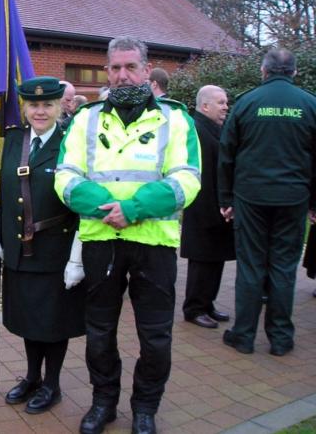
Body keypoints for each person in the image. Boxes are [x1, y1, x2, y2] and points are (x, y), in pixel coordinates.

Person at [55, 36, 201, 434]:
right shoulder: (86, 119)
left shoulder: (175, 119)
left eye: (130, 67)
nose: (122, 75)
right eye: (115, 68)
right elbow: (66, 177)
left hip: (154, 244)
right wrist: (107, 208)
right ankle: (103, 402)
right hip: (102, 242)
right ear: (107, 71)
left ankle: (145, 408)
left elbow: (187, 180)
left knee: (155, 336)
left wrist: (132, 210)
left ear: (145, 68)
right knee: (99, 332)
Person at [0, 76, 86, 415]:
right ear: (24, 107)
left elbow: (84, 205)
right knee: (29, 318)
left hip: (57, 250)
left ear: (61, 106)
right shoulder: (10, 141)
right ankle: (31, 376)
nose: (40, 111)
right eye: (33, 105)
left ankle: (52, 384)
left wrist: (77, 258)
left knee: (53, 321)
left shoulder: (73, 143)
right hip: (18, 249)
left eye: (48, 105)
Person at [218, 48, 316, 356]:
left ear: (264, 70)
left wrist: (226, 198)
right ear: (294, 72)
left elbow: (227, 154)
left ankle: (244, 336)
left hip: (251, 197)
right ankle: (281, 338)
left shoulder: (247, 102)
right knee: (284, 266)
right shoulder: (310, 104)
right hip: (293, 197)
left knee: (251, 266)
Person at [181, 86, 234, 328]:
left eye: (226, 102)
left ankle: (207, 303)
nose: (225, 106)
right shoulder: (199, 131)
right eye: (221, 102)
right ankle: (194, 308)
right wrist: (215, 210)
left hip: (217, 209)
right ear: (205, 106)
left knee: (214, 260)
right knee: (202, 261)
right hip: (205, 211)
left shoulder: (213, 129)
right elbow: (201, 176)